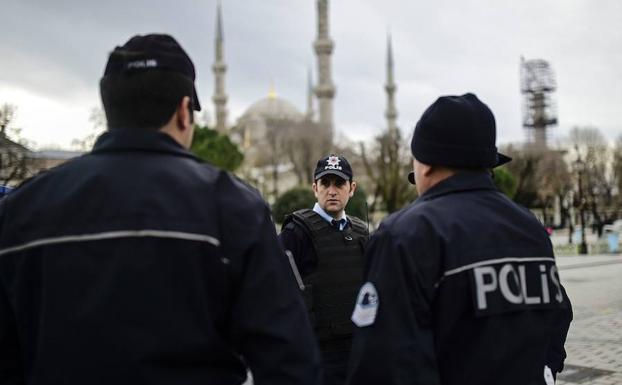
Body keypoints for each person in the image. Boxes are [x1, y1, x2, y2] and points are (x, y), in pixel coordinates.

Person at [0, 34, 320, 385]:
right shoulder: (232, 206)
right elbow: (289, 361)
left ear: (111, 109)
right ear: (184, 112)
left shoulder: (21, 210)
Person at [346, 93, 573, 385]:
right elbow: (557, 316)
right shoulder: (528, 227)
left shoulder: (406, 235)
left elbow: (382, 364)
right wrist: (546, 370)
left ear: (425, 163)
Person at [279, 154, 369, 385]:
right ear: (314, 188)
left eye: (339, 184)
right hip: (316, 353)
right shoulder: (295, 233)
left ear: (352, 188)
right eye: (325, 183)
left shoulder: (362, 233)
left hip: (358, 351)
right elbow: (275, 294)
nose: (332, 190)